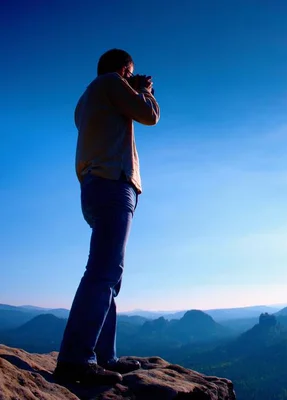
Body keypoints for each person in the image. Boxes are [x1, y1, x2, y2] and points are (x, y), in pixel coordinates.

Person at [53, 49, 160, 385]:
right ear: (122, 69)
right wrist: (145, 92)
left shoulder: (85, 100)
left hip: (94, 186)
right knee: (103, 272)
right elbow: (149, 115)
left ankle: (103, 356)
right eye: (131, 72)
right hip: (112, 183)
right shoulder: (112, 83)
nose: (132, 77)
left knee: (109, 274)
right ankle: (76, 359)